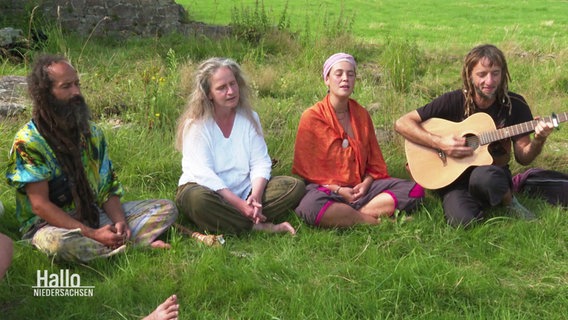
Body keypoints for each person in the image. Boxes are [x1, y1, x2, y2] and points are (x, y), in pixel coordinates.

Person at [5, 54, 178, 262]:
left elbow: (106, 187)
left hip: (93, 215)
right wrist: (93, 233)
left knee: (165, 208)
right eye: (66, 86)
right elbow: (40, 205)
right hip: (50, 226)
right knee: (58, 244)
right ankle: (125, 246)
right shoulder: (29, 141)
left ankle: (115, 242)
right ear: (46, 94)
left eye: (77, 84)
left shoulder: (92, 133)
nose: (76, 92)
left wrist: (120, 221)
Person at [394, 44, 555, 227]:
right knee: (463, 221)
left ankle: (509, 202)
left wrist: (539, 140)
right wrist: (440, 143)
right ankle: (480, 202)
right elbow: (402, 123)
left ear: (503, 73)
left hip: (490, 174)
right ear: (469, 75)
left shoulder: (514, 105)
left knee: (485, 176)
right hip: (453, 179)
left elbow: (523, 157)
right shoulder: (454, 100)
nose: (490, 81)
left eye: (495, 73)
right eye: (482, 74)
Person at [174, 57, 305, 235]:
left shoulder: (249, 118)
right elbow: (204, 174)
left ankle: (230, 219)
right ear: (209, 93)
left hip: (244, 190)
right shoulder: (196, 125)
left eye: (233, 84)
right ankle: (256, 226)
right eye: (221, 88)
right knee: (198, 201)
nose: (230, 91)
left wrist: (256, 196)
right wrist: (239, 205)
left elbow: (260, 162)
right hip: (206, 191)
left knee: (294, 186)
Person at [292, 52, 424, 228]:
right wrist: (339, 190)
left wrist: (365, 184)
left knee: (415, 190)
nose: (345, 78)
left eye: (350, 74)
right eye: (338, 74)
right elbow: (308, 172)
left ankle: (348, 215)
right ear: (327, 79)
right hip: (326, 191)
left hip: (361, 188)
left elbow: (374, 163)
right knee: (309, 206)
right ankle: (375, 221)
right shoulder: (311, 117)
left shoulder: (361, 115)